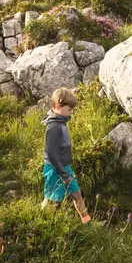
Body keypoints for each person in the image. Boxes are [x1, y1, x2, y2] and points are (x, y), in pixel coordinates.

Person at [41, 87, 91, 224]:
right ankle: (42, 223)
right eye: (69, 109)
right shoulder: (54, 127)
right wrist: (64, 174)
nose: (72, 112)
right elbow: (51, 154)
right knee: (53, 199)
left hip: (64, 166)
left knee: (76, 193)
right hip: (54, 169)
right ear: (58, 107)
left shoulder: (60, 122)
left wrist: (66, 171)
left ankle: (87, 221)